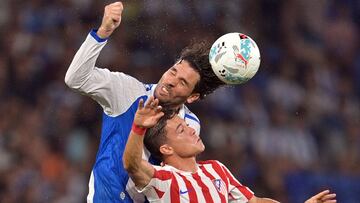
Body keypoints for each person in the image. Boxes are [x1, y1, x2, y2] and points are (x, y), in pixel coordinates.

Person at [65, 1, 224, 202]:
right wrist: (103, 31)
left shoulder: (190, 126)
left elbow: (179, 181)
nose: (170, 81)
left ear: (192, 96)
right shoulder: (128, 92)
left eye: (182, 82)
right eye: (173, 71)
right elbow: (75, 79)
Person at [123, 97, 337, 203]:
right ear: (166, 148)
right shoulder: (164, 178)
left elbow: (254, 202)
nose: (191, 130)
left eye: (187, 125)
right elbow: (132, 165)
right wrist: (139, 127)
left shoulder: (216, 169)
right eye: (181, 129)